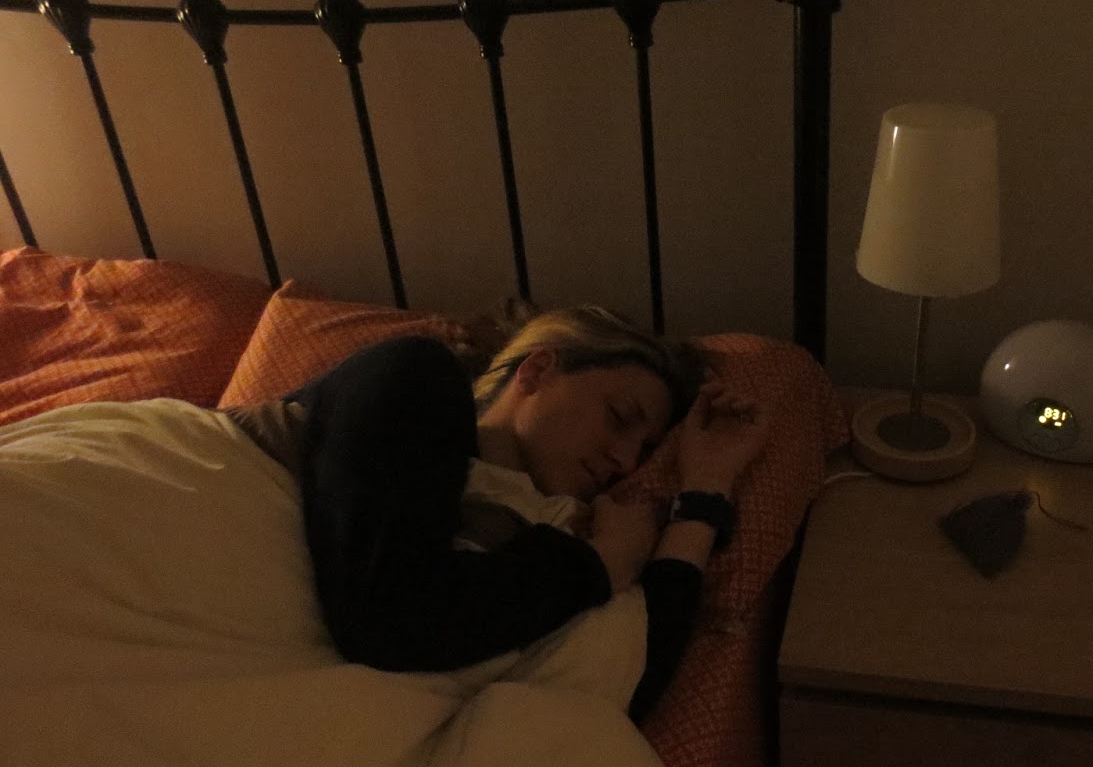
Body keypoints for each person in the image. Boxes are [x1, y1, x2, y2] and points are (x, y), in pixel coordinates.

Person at [238, 306, 768, 723]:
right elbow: (388, 615)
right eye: (619, 416)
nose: (625, 461)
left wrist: (706, 487)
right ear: (537, 369)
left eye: (646, 451)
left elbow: (627, 679)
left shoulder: (564, 525)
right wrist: (599, 564)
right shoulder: (417, 376)